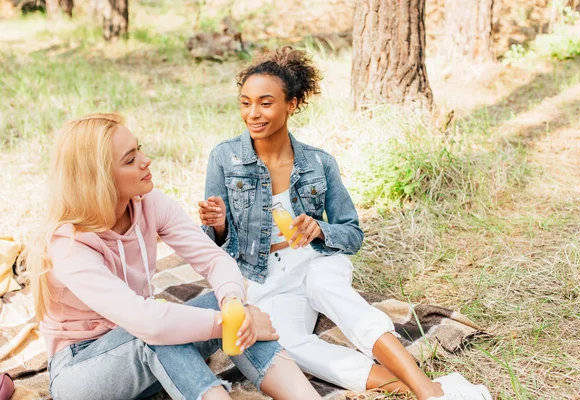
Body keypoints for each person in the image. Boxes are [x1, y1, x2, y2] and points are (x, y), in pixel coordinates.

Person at [199, 47, 492, 400]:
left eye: (265, 102)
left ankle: (427, 390)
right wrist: (217, 225)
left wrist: (320, 229)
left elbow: (352, 233)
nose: (253, 114)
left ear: (291, 104)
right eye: (245, 103)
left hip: (315, 258)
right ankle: (420, 388)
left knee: (328, 289)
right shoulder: (225, 158)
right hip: (263, 276)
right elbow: (212, 244)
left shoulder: (318, 163)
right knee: (290, 347)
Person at [24, 113, 321, 400]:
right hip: (82, 372)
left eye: (138, 149)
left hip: (143, 350)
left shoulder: (149, 204)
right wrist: (229, 323)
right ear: (98, 179)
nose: (145, 161)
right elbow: (147, 322)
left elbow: (216, 261)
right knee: (157, 330)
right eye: (130, 159)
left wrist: (232, 305)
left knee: (217, 307)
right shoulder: (67, 244)